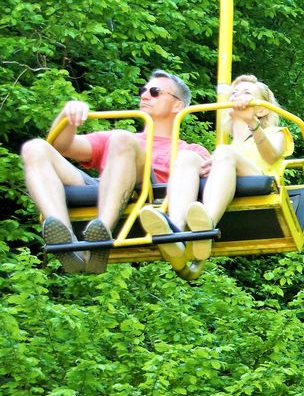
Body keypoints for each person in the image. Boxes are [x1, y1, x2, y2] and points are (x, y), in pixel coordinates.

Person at [21, 70, 212, 274]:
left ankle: (102, 231)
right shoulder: (114, 140)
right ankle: (65, 239)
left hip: (149, 191)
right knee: (34, 148)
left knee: (123, 139)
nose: (145, 95)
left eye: (155, 91)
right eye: (143, 90)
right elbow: (61, 145)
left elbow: (211, 182)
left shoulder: (190, 151)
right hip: (103, 187)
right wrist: (67, 115)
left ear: (177, 105)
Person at [140, 74, 292, 279]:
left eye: (247, 93)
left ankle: (207, 223)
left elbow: (271, 155)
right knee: (187, 157)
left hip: (261, 181)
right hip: (231, 176)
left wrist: (252, 123)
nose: (238, 96)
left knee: (224, 152)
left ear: (262, 108)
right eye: (235, 93)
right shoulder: (228, 148)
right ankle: (176, 228)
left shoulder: (275, 133)